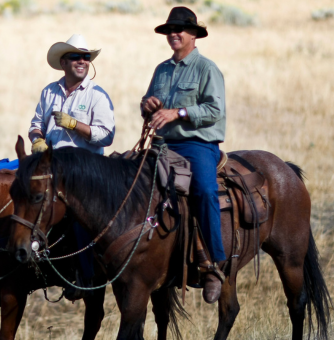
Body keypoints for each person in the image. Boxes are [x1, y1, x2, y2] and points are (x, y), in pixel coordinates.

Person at [140, 7, 226, 304]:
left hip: (197, 145)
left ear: (194, 35)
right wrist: (147, 105)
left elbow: (215, 110)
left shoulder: (207, 69)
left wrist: (178, 112)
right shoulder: (162, 69)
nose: (174, 34)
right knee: (128, 179)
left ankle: (214, 264)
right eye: (169, 30)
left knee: (203, 190)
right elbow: (147, 105)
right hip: (162, 144)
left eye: (180, 30)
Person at [29, 34, 115, 300]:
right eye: (76, 57)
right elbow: (35, 125)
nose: (82, 61)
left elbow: (107, 135)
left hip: (85, 171)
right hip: (52, 165)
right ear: (63, 62)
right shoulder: (49, 91)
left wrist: (74, 125)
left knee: (79, 216)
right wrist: (37, 140)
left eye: (86, 57)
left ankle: (84, 274)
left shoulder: (97, 95)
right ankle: (28, 262)